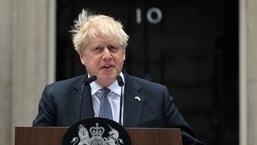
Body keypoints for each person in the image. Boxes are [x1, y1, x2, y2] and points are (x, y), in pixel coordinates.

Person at [33, 9, 204, 145]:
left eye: (113, 48)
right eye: (98, 49)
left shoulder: (156, 96)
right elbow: (36, 142)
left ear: (123, 54)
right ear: (82, 56)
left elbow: (188, 142)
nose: (107, 56)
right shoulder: (56, 96)